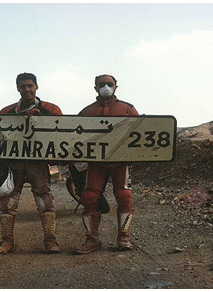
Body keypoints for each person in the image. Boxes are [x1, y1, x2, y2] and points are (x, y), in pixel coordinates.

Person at [0, 72, 63, 254]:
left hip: (37, 163)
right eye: (23, 86)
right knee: (8, 201)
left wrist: (42, 119)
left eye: (30, 86)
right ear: (17, 88)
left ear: (36, 87)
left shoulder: (51, 109)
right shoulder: (6, 112)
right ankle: (6, 241)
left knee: (44, 200)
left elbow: (61, 134)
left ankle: (50, 241)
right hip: (13, 164)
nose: (27, 89)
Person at [74, 74, 139, 254]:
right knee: (88, 197)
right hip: (96, 162)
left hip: (121, 161)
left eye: (109, 84)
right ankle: (92, 239)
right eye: (102, 84)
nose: (106, 87)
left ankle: (123, 238)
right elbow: (75, 136)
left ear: (116, 87)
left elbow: (140, 133)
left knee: (124, 195)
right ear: (95, 87)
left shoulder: (128, 108)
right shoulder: (86, 111)